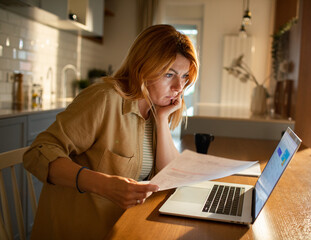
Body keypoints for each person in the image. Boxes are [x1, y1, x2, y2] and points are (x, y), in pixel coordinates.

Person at [23, 24, 199, 240]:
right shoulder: (105, 99)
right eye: (168, 74)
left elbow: (170, 176)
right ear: (143, 67)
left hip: (123, 228)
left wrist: (162, 120)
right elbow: (38, 152)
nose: (178, 87)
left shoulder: (155, 110)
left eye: (183, 77)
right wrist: (104, 185)